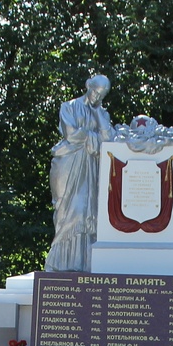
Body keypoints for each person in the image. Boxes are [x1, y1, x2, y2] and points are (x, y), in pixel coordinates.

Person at [45, 75, 113, 272]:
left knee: (86, 210)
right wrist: (93, 137)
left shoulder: (103, 114)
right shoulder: (69, 106)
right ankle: (60, 261)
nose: (96, 97)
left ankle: (83, 262)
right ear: (88, 86)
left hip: (91, 167)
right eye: (95, 92)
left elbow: (108, 138)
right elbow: (71, 134)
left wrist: (98, 114)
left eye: (101, 95)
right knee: (67, 209)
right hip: (69, 163)